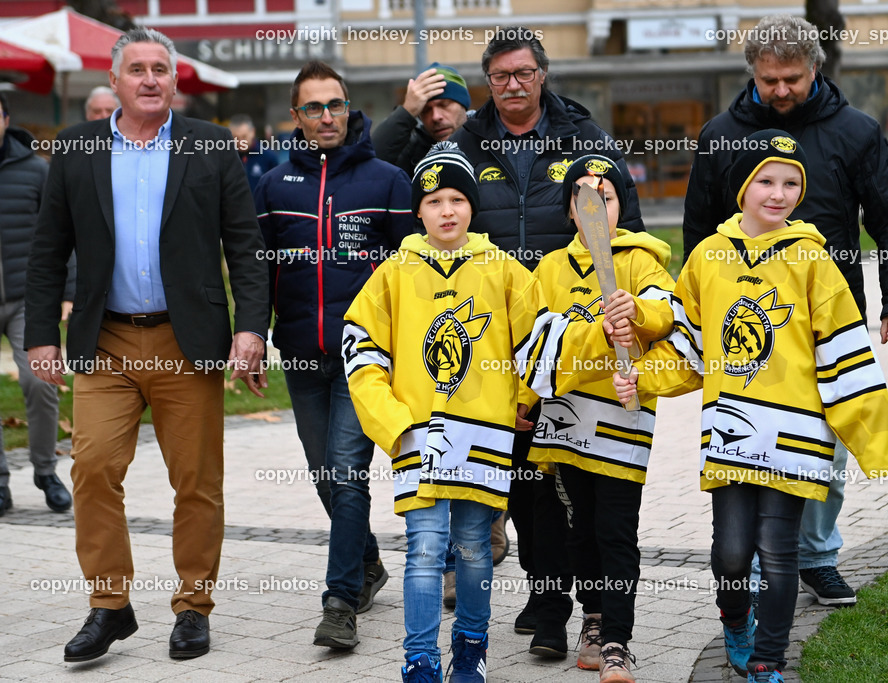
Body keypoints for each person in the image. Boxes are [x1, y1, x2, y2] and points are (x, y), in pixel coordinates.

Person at [618, 130, 888, 683]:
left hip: (796, 437)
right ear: (742, 187)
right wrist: (642, 377)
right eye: (767, 181)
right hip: (729, 433)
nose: (779, 194)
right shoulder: (707, 257)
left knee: (778, 554)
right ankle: (735, 619)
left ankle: (768, 660)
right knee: (731, 554)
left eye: (791, 184)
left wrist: (876, 444)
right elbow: (688, 344)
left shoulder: (813, 260)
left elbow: (844, 353)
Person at [25, 28, 269, 662]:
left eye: (161, 68)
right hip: (105, 339)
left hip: (186, 341)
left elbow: (245, 245)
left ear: (175, 79)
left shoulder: (210, 144)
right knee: (92, 469)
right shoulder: (76, 147)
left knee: (197, 480)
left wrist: (251, 328)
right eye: (137, 69)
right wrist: (40, 336)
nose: (150, 78)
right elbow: (48, 250)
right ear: (114, 80)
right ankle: (110, 605)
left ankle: (193, 607)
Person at [682, 13, 888, 607]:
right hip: (743, 327)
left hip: (827, 320)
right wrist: (692, 313)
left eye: (792, 78)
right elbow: (698, 230)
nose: (781, 89)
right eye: (769, 80)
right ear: (752, 73)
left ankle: (815, 555)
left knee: (826, 442)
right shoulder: (720, 134)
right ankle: (757, 561)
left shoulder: (856, 131)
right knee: (748, 439)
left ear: (815, 67)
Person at [450, 25, 646, 658]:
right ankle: (545, 589)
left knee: (570, 477)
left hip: (577, 332)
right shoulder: (464, 142)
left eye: (524, 73)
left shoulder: (585, 137)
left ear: (542, 75)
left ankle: (582, 609)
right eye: (500, 75)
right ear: (487, 81)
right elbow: (430, 205)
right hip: (495, 331)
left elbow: (626, 229)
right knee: (519, 476)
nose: (513, 84)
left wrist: (631, 317)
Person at [343, 141, 545, 683]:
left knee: (475, 548)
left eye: (457, 199)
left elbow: (536, 343)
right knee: (425, 549)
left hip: (484, 433)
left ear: (472, 206)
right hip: (418, 435)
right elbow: (361, 350)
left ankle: (471, 647)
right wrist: (392, 423)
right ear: (419, 210)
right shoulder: (393, 273)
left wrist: (521, 400)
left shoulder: (505, 270)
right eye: (434, 201)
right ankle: (420, 659)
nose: (447, 211)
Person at [521, 155, 700, 681]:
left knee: (616, 532)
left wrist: (636, 312)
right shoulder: (549, 269)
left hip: (623, 424)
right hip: (565, 424)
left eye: (607, 197)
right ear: (569, 211)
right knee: (580, 532)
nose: (596, 207)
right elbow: (533, 342)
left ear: (623, 204)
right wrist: (523, 400)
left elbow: (667, 313)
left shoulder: (643, 261)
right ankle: (593, 618)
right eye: (583, 198)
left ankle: (619, 642)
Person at [254, 59, 413, 650]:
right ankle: (367, 563)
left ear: (349, 108)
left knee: (347, 475)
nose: (327, 116)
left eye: (336, 104)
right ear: (296, 116)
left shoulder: (387, 181)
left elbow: (409, 274)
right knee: (326, 475)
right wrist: (253, 336)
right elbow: (256, 272)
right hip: (300, 355)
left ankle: (340, 602)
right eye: (314, 107)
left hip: (362, 357)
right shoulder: (273, 186)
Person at [0, 92, 73, 517]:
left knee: (40, 379)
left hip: (28, 298)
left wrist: (69, 290)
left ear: (6, 119)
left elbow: (63, 233)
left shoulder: (35, 170)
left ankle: (46, 471)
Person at [372, 62, 471, 177]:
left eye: (444, 105)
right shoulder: (412, 151)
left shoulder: (484, 138)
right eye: (426, 110)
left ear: (463, 106)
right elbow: (372, 164)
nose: (435, 117)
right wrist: (407, 111)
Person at [229, 114, 279, 192]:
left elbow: (276, 187)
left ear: (253, 132)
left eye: (244, 137)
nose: (241, 142)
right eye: (236, 138)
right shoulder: (227, 157)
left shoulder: (268, 156)